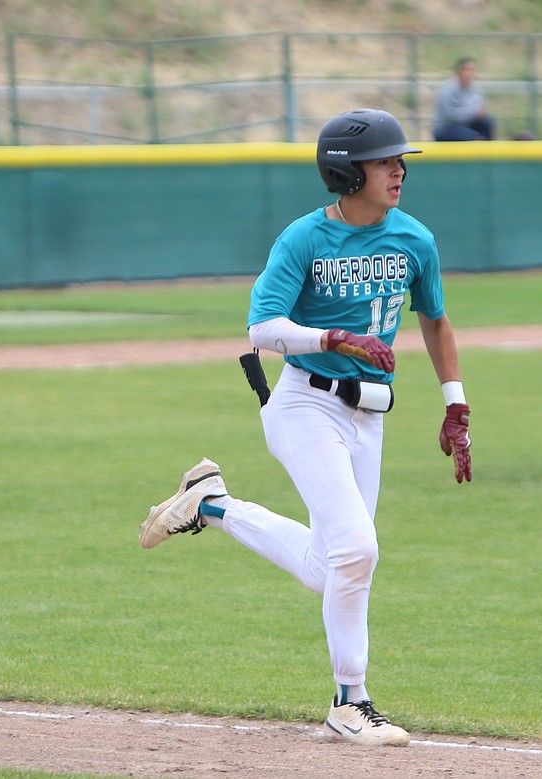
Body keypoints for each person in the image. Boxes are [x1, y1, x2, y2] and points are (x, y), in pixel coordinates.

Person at [138, 108, 472, 747]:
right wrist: (332, 338)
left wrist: (455, 404)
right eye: (384, 161)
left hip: (369, 417)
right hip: (304, 405)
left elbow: (435, 319)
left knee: (334, 566)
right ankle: (351, 702)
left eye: (400, 160)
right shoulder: (304, 239)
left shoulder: (414, 239)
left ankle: (210, 503)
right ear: (348, 171)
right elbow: (261, 328)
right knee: (359, 551)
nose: (398, 170)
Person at [431, 56, 495, 141]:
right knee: (476, 139)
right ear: (458, 71)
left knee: (488, 122)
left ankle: (489, 150)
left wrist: (479, 113)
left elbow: (480, 110)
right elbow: (449, 115)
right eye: (466, 69)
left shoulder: (476, 88)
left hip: (466, 125)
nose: (469, 73)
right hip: (446, 128)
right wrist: (473, 113)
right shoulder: (448, 88)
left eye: (472, 70)